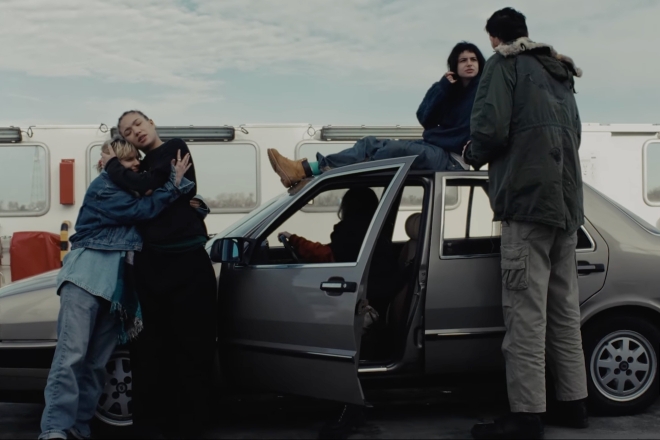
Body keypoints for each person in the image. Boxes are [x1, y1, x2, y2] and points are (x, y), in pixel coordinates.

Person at [463, 7, 588, 439]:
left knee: (525, 315)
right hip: (566, 207)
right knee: (564, 312)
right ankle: (574, 404)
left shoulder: (504, 64)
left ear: (494, 38)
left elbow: (491, 129)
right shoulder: (558, 72)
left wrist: (472, 153)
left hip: (527, 203)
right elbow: (575, 134)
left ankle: (527, 415)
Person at [39, 138, 193, 440]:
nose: (135, 164)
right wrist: (173, 186)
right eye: (127, 160)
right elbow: (141, 211)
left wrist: (184, 193)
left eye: (136, 159)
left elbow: (161, 210)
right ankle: (54, 429)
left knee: (96, 364)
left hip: (115, 291)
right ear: (109, 165)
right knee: (71, 357)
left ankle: (79, 427)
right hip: (85, 279)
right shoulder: (105, 187)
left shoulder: (134, 190)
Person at [102, 110, 217, 438]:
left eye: (138, 124)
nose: (135, 132)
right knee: (151, 353)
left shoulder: (174, 148)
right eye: (127, 132)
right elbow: (142, 191)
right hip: (152, 268)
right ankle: (156, 428)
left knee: (192, 350)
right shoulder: (140, 166)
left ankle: (191, 427)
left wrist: (115, 167)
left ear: (151, 123)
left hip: (188, 268)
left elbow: (146, 185)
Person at [266, 41, 486, 188]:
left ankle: (309, 170)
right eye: (463, 60)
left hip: (453, 160)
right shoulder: (448, 91)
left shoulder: (483, 91)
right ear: (454, 65)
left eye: (474, 59)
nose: (469, 64)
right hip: (435, 149)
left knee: (390, 150)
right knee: (369, 144)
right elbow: (424, 118)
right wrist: (442, 88)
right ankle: (303, 170)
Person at [279, 187, 379, 263]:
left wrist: (294, 239)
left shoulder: (352, 233)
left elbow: (324, 255)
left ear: (348, 208)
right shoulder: (373, 231)